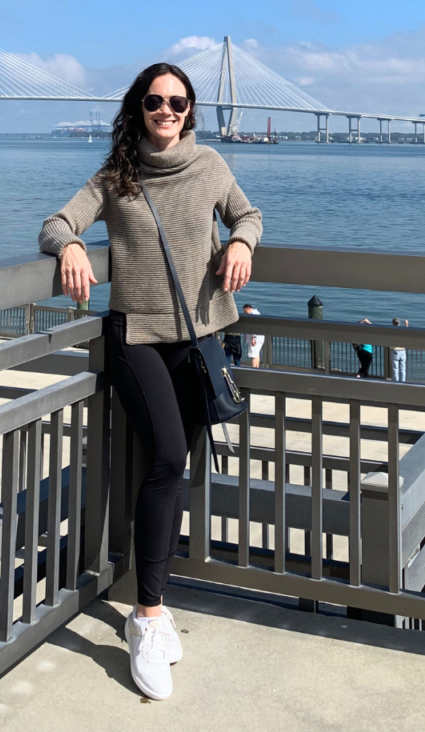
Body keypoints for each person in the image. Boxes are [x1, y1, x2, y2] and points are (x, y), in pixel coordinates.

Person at [39, 62, 262, 701]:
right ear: (138, 107)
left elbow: (248, 214)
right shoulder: (116, 176)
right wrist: (73, 248)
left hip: (196, 340)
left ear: (190, 110)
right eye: (156, 100)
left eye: (179, 101)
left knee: (178, 468)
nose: (167, 110)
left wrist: (242, 241)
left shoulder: (212, 166)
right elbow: (57, 221)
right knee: (165, 458)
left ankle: (154, 605)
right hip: (135, 336)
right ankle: (145, 618)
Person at [241, 301, 264, 366]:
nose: (244, 313)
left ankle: (253, 370)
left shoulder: (253, 314)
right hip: (260, 338)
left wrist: (253, 337)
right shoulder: (257, 313)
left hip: (255, 339)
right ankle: (257, 369)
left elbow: (255, 327)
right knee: (256, 355)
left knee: (253, 355)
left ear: (248, 308)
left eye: (244, 311)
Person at [391, 317, 408, 382]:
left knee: (395, 369)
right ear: (399, 323)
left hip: (395, 351)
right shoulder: (402, 331)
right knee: (403, 369)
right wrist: (406, 324)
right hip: (403, 351)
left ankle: (396, 382)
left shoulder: (391, 331)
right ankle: (402, 382)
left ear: (392, 323)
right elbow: (407, 332)